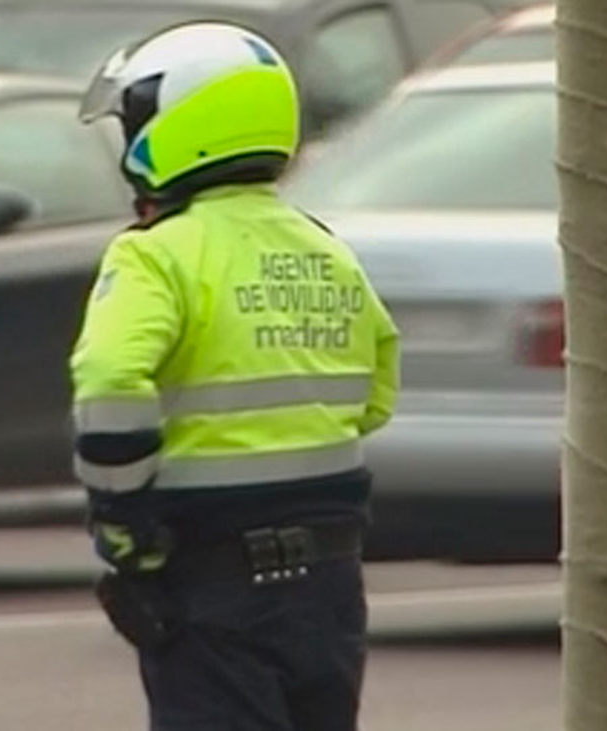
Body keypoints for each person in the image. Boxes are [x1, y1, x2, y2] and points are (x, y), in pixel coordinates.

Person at [71, 21, 400, 731]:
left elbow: (108, 381)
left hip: (212, 578)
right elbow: (376, 391)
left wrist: (123, 525)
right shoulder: (324, 250)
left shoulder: (156, 256)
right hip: (331, 585)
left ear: (179, 128)